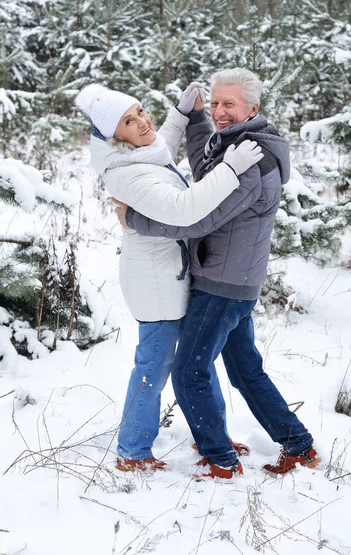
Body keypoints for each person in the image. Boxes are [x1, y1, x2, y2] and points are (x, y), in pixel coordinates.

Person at [117, 68, 320, 479]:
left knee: (188, 371)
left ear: (252, 108)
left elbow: (198, 218)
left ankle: (221, 460)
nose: (219, 111)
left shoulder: (250, 159)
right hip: (235, 280)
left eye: (229, 104)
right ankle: (299, 445)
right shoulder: (238, 143)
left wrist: (135, 219)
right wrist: (195, 119)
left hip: (222, 286)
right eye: (214, 102)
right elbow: (207, 169)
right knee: (246, 370)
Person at [75, 82, 263, 472]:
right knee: (154, 366)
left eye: (141, 110)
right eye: (129, 121)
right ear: (115, 137)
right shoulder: (123, 174)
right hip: (156, 284)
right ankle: (132, 449)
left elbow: (161, 146)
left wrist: (180, 114)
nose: (143, 121)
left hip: (175, 275)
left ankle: (211, 436)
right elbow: (184, 210)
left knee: (199, 360)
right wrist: (230, 168)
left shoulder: (139, 153)